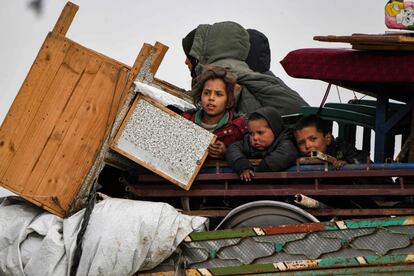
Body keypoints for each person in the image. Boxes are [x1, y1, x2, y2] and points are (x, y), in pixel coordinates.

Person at [181, 21, 309, 116]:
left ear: (201, 57)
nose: (186, 62)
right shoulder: (234, 77)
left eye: (190, 56)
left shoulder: (233, 82)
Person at [182, 65, 247, 159]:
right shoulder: (185, 121)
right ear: (200, 96)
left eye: (218, 94)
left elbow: (250, 157)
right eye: (206, 93)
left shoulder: (238, 127)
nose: (211, 98)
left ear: (228, 100)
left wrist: (226, 152)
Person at [225, 106, 297, 181]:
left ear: (275, 129)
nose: (255, 138)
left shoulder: (286, 141)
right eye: (251, 133)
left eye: (260, 132)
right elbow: (232, 149)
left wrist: (260, 171)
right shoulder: (247, 142)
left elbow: (287, 153)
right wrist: (242, 165)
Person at [294, 115, 368, 169]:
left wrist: (347, 165)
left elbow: (366, 165)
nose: (307, 145)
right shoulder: (295, 155)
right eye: (301, 143)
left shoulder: (343, 149)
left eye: (313, 139)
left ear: (328, 138)